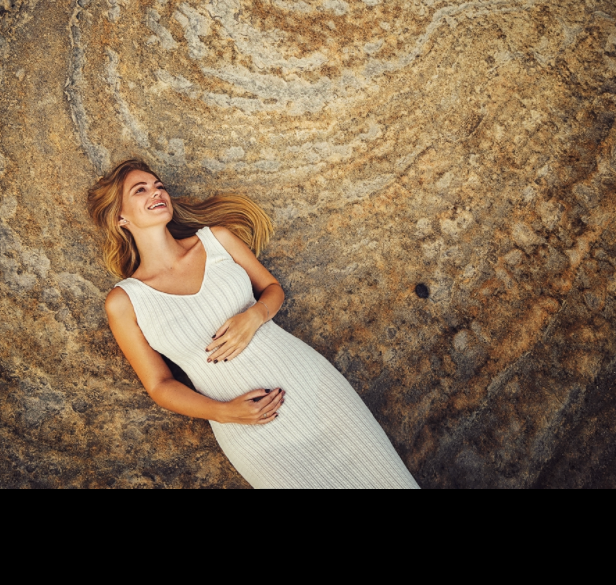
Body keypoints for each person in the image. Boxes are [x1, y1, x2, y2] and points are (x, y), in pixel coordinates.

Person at [89, 159, 419, 490]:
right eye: (141, 190)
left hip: (311, 387)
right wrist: (222, 413)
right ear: (120, 217)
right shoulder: (124, 301)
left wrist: (254, 315)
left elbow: (273, 289)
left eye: (159, 185)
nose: (156, 192)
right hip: (249, 429)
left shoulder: (216, 240)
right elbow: (160, 385)